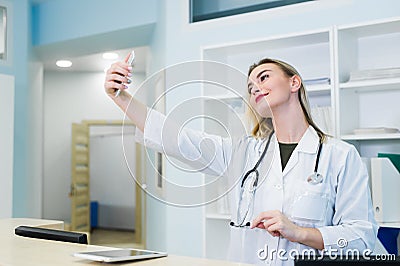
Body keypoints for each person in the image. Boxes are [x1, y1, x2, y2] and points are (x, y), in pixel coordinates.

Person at [104, 55, 378, 265]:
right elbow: (178, 139)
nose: (255, 88)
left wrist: (298, 232)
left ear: (294, 82)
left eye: (264, 77)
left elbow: (361, 236)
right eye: (250, 86)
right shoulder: (243, 153)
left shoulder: (340, 155)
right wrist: (121, 97)